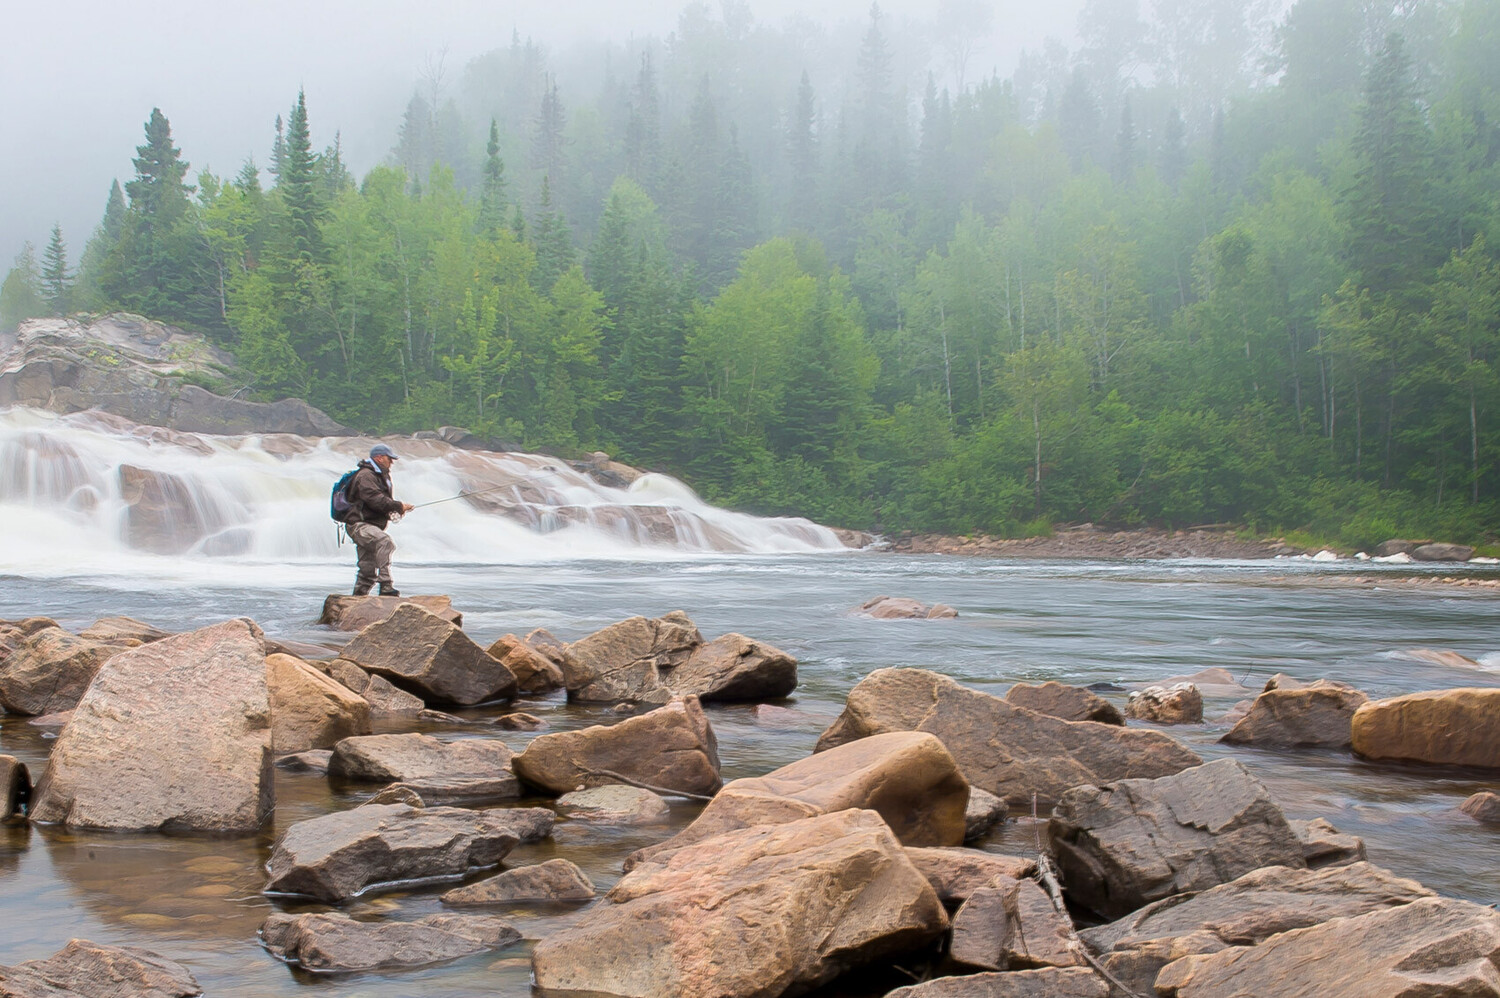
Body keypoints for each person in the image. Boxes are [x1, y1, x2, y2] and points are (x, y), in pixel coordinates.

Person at [344, 443, 415, 596]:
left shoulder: (380, 476)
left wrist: (395, 510)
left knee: (367, 570)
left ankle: (357, 598)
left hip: (370, 525)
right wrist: (399, 506)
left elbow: (377, 504)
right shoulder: (366, 476)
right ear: (379, 458)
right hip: (359, 525)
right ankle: (386, 585)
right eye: (390, 459)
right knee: (385, 542)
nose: (392, 462)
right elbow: (375, 499)